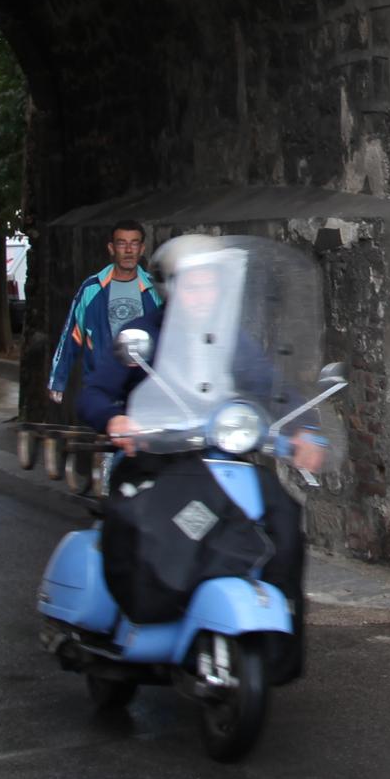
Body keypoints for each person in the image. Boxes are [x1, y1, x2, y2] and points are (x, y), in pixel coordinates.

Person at [75, 235, 316, 680]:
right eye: (192, 285)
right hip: (157, 460)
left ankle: (275, 640)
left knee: (283, 513)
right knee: (155, 523)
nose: (202, 295)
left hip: (219, 463)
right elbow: (94, 392)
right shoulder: (144, 336)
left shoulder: (230, 341)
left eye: (210, 285)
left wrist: (304, 429)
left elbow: (270, 386)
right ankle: (148, 614)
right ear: (171, 288)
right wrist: (115, 422)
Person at [47, 220, 160, 403]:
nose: (129, 250)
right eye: (122, 243)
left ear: (142, 249)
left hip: (144, 389)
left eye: (134, 243)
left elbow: (171, 334)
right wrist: (57, 380)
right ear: (111, 248)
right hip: (103, 386)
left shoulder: (154, 288)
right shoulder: (92, 289)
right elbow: (72, 335)